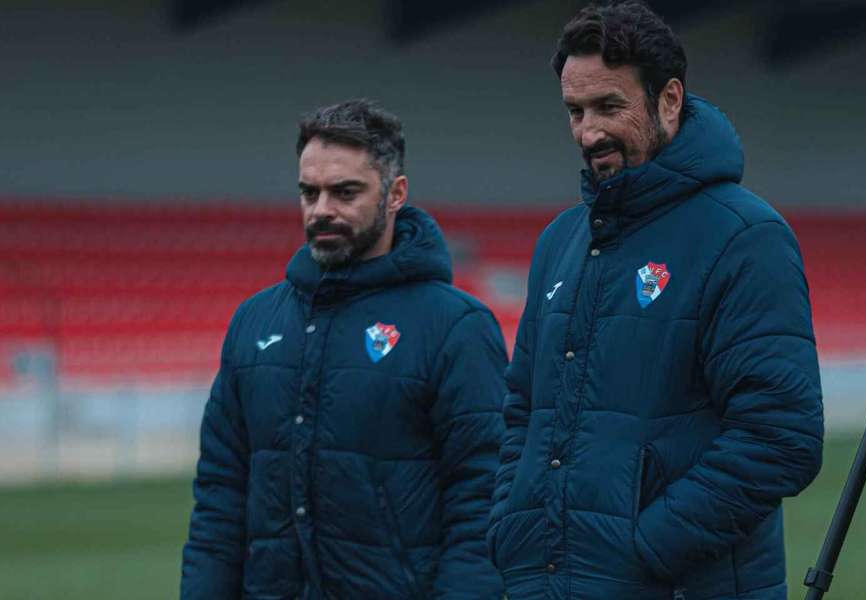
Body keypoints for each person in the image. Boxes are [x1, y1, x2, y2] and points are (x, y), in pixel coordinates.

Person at [487, 2, 824, 599]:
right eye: (575, 111)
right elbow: (523, 409)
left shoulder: (745, 237)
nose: (587, 133)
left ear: (668, 101)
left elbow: (780, 438)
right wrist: (512, 528)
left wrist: (645, 547)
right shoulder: (561, 239)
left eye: (609, 107)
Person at [181, 99, 506, 599]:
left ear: (395, 194)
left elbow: (482, 500)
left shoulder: (456, 326)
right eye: (309, 193)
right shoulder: (255, 322)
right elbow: (220, 497)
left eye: (345, 192)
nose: (322, 210)